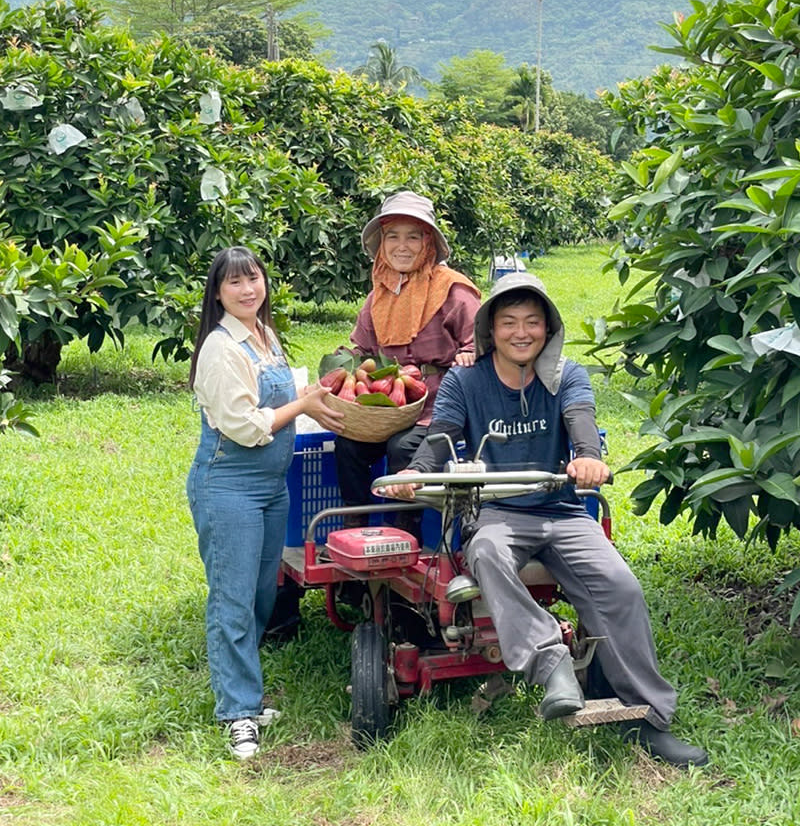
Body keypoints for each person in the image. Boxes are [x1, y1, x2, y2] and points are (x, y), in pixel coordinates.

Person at [385, 271, 708, 769]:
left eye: (532, 322)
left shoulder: (567, 376)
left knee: (621, 588)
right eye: (508, 322)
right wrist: (415, 471)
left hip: (560, 511)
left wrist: (586, 458)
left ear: (548, 328)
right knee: (488, 552)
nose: (521, 332)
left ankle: (647, 722)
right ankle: (550, 661)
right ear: (490, 329)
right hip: (496, 511)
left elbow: (582, 426)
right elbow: (439, 439)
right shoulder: (466, 380)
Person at [187, 246, 344, 760]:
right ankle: (237, 713)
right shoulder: (220, 348)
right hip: (229, 484)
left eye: (253, 278)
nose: (248, 289)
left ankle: (247, 696)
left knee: (259, 595)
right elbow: (247, 426)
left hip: (272, 487)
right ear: (218, 293)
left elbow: (282, 400)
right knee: (231, 598)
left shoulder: (264, 336)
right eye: (235, 283)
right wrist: (304, 403)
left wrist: (316, 392)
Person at [334, 191, 482, 536]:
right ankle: (354, 527)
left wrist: (469, 355)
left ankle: (406, 535)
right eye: (393, 236)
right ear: (382, 244)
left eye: (413, 236)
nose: (402, 246)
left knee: (402, 447)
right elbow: (362, 350)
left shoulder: (454, 291)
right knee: (349, 446)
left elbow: (483, 342)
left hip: (442, 406)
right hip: (390, 404)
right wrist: (343, 367)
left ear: (428, 242)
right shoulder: (380, 294)